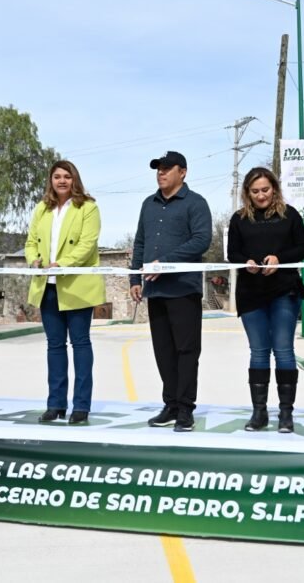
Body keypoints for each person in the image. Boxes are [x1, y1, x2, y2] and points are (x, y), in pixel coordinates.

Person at [130, 151, 212, 433]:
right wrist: (134, 278)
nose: (161, 173)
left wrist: (166, 263)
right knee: (163, 351)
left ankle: (186, 409)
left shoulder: (195, 203)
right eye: (158, 169)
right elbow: (140, 242)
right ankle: (171, 404)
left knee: (186, 350)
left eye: (167, 168)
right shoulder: (148, 205)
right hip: (156, 291)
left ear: (183, 172)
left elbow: (201, 240)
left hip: (183, 289)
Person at [227, 167, 304, 433]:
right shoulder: (238, 219)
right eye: (255, 191)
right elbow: (233, 253)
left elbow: (302, 249)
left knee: (283, 349)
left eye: (265, 189)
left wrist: (279, 258)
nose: (261, 196)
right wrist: (246, 263)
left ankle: (286, 414)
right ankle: (259, 413)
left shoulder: (290, 215)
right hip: (251, 293)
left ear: (274, 188)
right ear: (247, 193)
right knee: (259, 351)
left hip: (284, 290)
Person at [25, 160, 106, 425]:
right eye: (57, 176)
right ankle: (55, 404)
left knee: (80, 344)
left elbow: (87, 244)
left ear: (75, 180)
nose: (61, 181)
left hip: (76, 285)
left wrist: (63, 264)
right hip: (47, 287)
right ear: (51, 180)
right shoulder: (41, 208)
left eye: (67, 177)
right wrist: (34, 260)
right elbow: (30, 242)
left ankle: (81, 406)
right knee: (54, 347)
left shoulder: (88, 208)